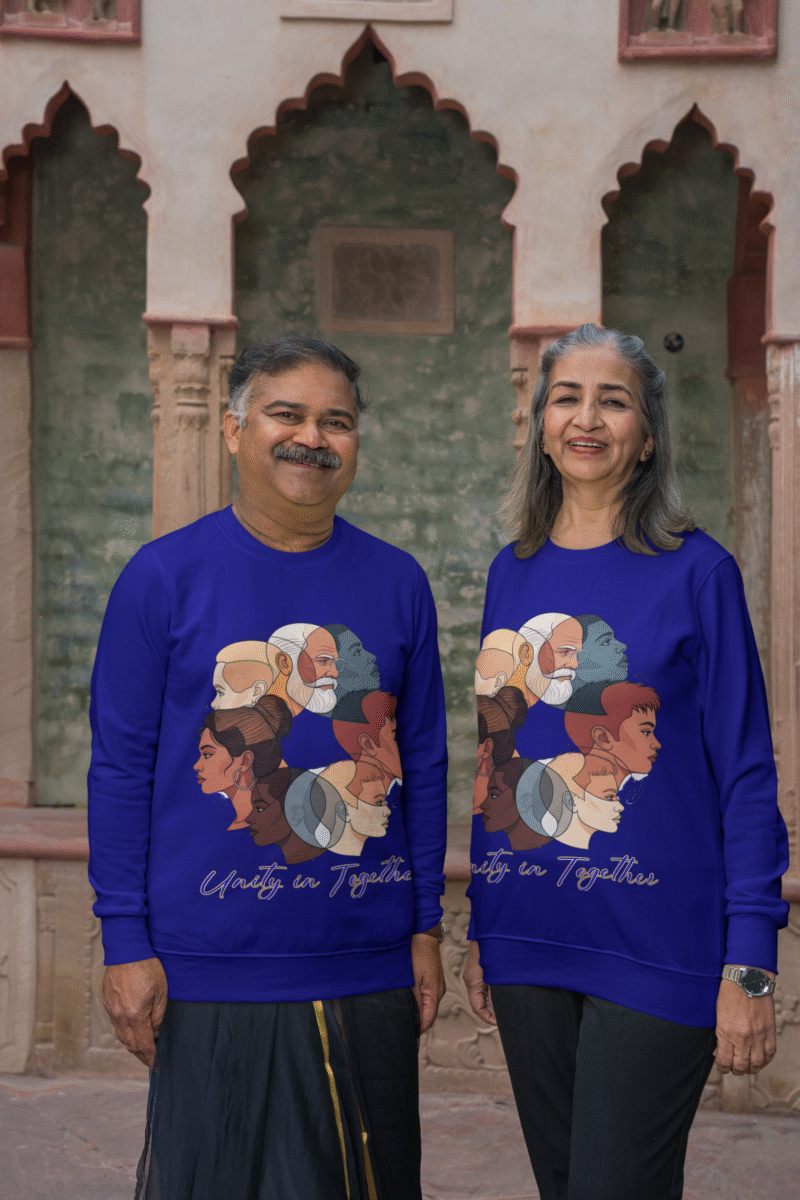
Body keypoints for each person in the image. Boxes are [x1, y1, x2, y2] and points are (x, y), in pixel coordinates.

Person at [89, 335, 448, 1200]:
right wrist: (125, 942)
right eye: (287, 414)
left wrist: (425, 925)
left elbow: (425, 764)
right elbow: (120, 769)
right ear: (233, 429)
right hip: (209, 960)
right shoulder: (162, 578)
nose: (312, 438)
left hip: (365, 959)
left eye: (338, 422)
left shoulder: (398, 583)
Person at [463, 324, 789, 1200]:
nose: (587, 418)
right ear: (539, 423)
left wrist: (750, 961)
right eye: (567, 397)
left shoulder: (697, 573)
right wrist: (480, 924)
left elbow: (747, 774)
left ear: (647, 436)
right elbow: (498, 756)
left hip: (659, 946)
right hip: (529, 940)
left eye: (615, 402)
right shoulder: (513, 570)